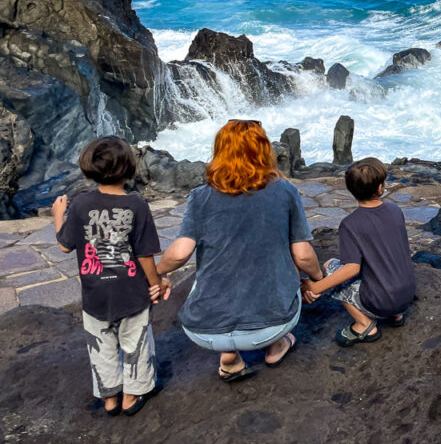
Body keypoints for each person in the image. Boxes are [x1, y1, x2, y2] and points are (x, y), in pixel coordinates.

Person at [156, 120, 323, 381]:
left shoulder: (200, 196)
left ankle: (230, 356)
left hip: (205, 331)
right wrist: (318, 281)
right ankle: (276, 347)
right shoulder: (285, 191)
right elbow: (302, 254)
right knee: (286, 267)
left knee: (202, 278)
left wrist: (157, 274)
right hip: (272, 326)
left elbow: (179, 253)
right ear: (264, 151)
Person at [52, 137, 168, 417]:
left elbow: (65, 245)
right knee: (136, 343)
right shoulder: (137, 205)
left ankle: (109, 398)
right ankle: (132, 395)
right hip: (131, 292)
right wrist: (156, 284)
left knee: (100, 346)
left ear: (89, 167)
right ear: (128, 168)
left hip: (95, 295)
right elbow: (144, 254)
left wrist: (58, 215)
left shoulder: (80, 204)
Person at [301, 157, 416, 346]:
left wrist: (315, 288)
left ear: (352, 191)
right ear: (380, 188)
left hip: (381, 302)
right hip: (406, 295)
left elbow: (352, 268)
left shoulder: (350, 224)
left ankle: (365, 325)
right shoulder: (395, 210)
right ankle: (397, 315)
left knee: (331, 267)